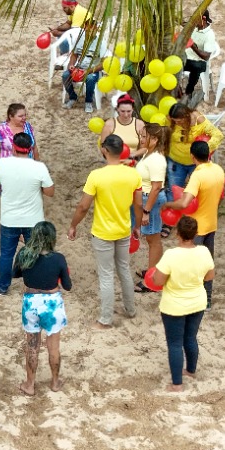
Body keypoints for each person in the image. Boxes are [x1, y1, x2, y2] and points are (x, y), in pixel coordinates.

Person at [69, 135, 144, 329]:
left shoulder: (96, 175)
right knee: (124, 270)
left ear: (105, 150)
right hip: (123, 229)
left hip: (103, 232)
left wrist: (73, 225)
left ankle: (105, 319)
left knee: (106, 275)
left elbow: (83, 206)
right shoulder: (133, 174)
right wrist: (137, 226)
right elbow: (138, 204)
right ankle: (130, 309)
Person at [151, 216, 215, 391]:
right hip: (197, 302)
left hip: (174, 305)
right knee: (191, 338)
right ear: (195, 233)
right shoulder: (204, 252)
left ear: (177, 233)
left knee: (175, 344)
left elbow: (158, 280)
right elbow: (209, 276)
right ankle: (191, 371)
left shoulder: (171, 255)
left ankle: (177, 384)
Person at [0, 132, 54, 295]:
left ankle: (2, 286)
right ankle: (35, 285)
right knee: (36, 253)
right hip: (33, 220)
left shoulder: (2, 164)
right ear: (30, 149)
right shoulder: (39, 167)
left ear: (13, 147)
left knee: (6, 255)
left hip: (9, 218)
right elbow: (50, 192)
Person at [12, 221, 70, 395]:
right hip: (52, 303)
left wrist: (26, 251)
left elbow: (15, 274)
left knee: (32, 346)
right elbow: (68, 286)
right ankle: (55, 382)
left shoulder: (24, 254)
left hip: (31, 302)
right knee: (53, 346)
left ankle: (30, 385)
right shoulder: (58, 258)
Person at [164, 139, 224, 304]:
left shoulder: (197, 175)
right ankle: (208, 299)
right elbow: (220, 197)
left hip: (196, 227)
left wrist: (168, 205)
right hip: (211, 223)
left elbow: (184, 203)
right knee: (207, 263)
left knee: (191, 265)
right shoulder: (218, 170)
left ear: (192, 156)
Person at [135, 122, 171, 276]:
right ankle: (152, 270)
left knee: (153, 239)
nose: (141, 139)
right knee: (151, 237)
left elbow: (156, 188)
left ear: (155, 140)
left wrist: (146, 211)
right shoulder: (149, 153)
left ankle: (152, 277)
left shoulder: (156, 159)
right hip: (146, 198)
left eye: (144, 137)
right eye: (141, 136)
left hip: (151, 201)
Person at [166, 102, 223, 188]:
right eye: (175, 121)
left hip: (196, 163)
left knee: (198, 189)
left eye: (179, 121)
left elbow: (218, 135)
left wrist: (205, 149)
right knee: (174, 190)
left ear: (186, 116)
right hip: (175, 161)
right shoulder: (170, 119)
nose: (177, 123)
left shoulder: (198, 119)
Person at [180, 10, 219, 100]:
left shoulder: (209, 35)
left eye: (195, 20)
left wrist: (193, 47)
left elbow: (206, 57)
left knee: (196, 67)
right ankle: (176, 90)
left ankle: (188, 92)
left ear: (203, 19)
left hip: (200, 62)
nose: (193, 22)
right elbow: (184, 24)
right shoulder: (195, 27)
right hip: (186, 59)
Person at [99, 95, 143, 163]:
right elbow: (103, 147)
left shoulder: (139, 124)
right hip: (114, 161)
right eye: (122, 111)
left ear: (133, 109)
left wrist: (132, 155)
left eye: (129, 111)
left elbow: (145, 147)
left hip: (133, 160)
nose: (126, 115)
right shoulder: (109, 124)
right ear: (117, 109)